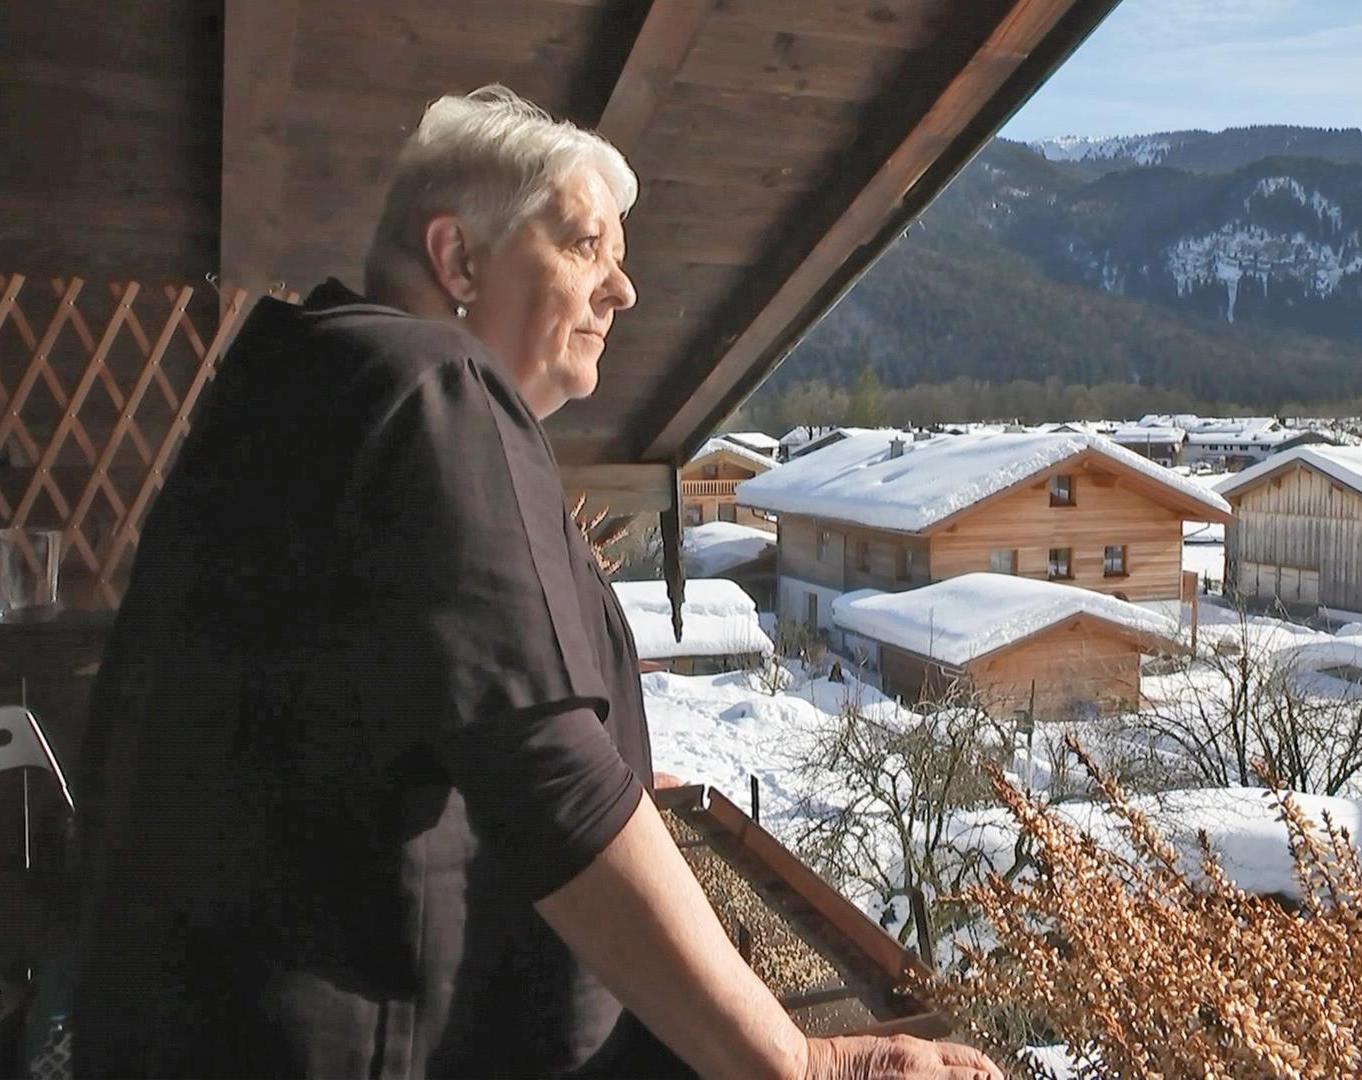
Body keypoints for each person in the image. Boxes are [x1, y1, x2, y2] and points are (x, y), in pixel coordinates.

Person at [70, 86, 1002, 1080]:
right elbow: (545, 770)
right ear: (459, 259)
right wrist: (804, 1065)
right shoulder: (434, 388)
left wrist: (625, 777)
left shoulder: (310, 385)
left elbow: (384, 721)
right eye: (586, 245)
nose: (624, 290)